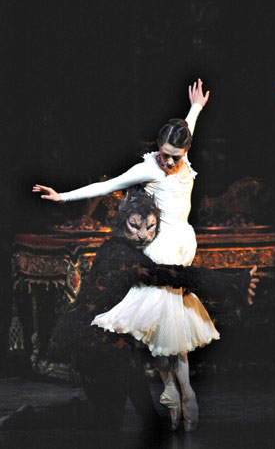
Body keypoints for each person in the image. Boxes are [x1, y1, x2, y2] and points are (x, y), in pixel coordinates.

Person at [32, 79, 258, 431]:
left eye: (175, 157)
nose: (168, 162)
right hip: (162, 248)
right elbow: (107, 186)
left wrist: (196, 109)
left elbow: (188, 129)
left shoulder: (183, 157)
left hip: (184, 243)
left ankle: (175, 388)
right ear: (157, 148)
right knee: (165, 329)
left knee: (174, 327)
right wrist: (62, 196)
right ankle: (179, 390)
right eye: (164, 154)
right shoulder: (149, 167)